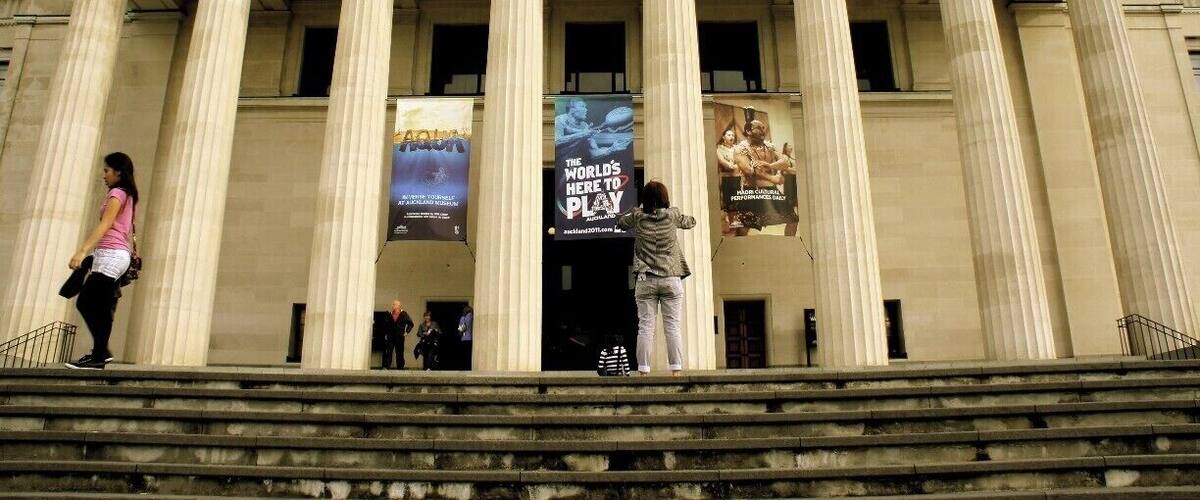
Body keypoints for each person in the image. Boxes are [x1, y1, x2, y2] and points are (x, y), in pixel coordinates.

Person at [65, 152, 139, 370]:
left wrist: (82, 251)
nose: (103, 175)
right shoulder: (127, 194)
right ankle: (100, 352)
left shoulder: (117, 193)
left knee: (86, 302)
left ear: (118, 172)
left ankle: (100, 353)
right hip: (109, 255)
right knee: (97, 304)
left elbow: (106, 224)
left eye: (106, 170)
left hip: (112, 254)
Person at [616, 181, 696, 376]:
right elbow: (691, 222)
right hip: (671, 279)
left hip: (645, 280)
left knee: (645, 327)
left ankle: (643, 370)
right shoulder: (673, 215)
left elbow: (620, 223)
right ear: (665, 198)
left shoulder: (637, 216)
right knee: (672, 326)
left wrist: (637, 210)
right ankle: (676, 370)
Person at [378, 300, 413, 369]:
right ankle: (386, 366)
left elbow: (411, 324)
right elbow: (386, 325)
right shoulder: (389, 314)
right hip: (390, 336)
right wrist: (386, 334)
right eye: (393, 304)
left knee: (399, 352)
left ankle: (400, 367)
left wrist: (406, 332)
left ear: (398, 306)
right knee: (389, 351)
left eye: (394, 304)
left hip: (400, 336)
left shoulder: (404, 314)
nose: (392, 305)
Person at [457, 304, 473, 370]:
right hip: (470, 338)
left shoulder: (463, 318)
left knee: (464, 354)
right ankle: (468, 367)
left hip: (464, 338)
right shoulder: (472, 317)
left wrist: (460, 332)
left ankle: (464, 367)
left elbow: (461, 328)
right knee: (468, 354)